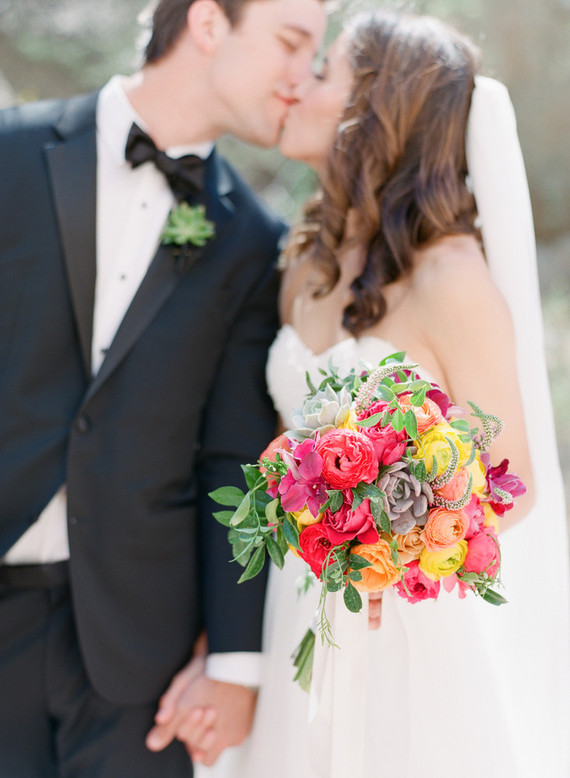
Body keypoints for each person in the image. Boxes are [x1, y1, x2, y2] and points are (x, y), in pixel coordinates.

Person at [187, 11, 570, 778]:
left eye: (322, 70)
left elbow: (511, 485)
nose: (299, 82)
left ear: (373, 108)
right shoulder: (307, 262)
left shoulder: (451, 279)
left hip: (401, 628)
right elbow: (269, 455)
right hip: (293, 607)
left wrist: (382, 534)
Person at [0, 0, 326, 775]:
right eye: (290, 43)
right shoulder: (8, 157)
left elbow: (233, 459)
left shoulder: (253, 239)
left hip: (137, 664)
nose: (302, 77)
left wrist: (235, 664)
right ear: (209, 24)